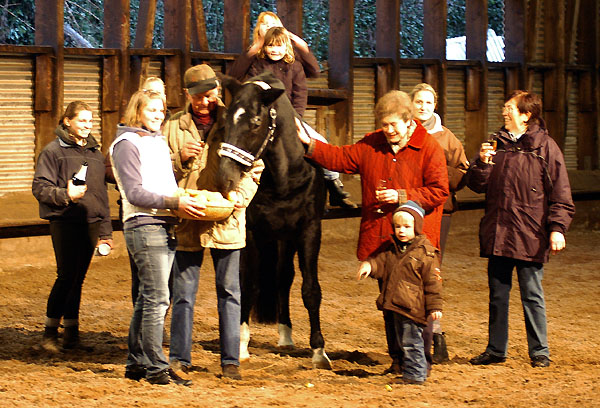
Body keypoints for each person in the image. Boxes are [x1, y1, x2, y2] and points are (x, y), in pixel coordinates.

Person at [296, 90, 449, 374]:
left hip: (416, 245)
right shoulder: (372, 143)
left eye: (394, 125)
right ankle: (397, 359)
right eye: (384, 125)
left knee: (415, 307)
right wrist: (310, 144)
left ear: (408, 120)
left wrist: (401, 195)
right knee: (391, 303)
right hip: (383, 242)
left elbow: (439, 191)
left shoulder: (429, 148)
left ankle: (419, 361)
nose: (388, 130)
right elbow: (341, 157)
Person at [163, 64, 264, 381]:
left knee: (230, 292)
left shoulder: (236, 120)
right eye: (197, 98)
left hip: (227, 219)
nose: (203, 103)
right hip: (189, 219)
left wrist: (240, 199)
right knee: (183, 293)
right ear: (187, 95)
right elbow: (159, 172)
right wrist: (179, 158)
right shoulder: (173, 126)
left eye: (209, 95)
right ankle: (179, 357)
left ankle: (230, 360)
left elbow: (255, 167)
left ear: (218, 92)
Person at [466, 90, 575, 368]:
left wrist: (557, 228)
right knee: (497, 295)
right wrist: (482, 163)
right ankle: (495, 349)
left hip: (530, 234)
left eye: (509, 108)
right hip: (499, 232)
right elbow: (477, 185)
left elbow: (561, 193)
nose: (504, 112)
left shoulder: (546, 148)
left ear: (526, 115)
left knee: (532, 294)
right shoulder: (496, 145)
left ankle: (540, 351)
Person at [110, 89, 205, 385]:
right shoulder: (126, 144)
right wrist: (175, 202)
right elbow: (135, 192)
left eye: (161, 110)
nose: (158, 115)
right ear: (137, 112)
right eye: (152, 110)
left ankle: (137, 363)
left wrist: (183, 197)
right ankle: (156, 367)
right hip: (144, 224)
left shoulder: (157, 142)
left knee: (146, 298)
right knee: (158, 299)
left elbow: (164, 183)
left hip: (164, 223)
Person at [228, 11, 355, 209]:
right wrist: (255, 48)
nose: (269, 28)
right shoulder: (256, 61)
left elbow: (301, 92)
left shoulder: (293, 64)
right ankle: (232, 186)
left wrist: (296, 118)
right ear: (259, 30)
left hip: (290, 117)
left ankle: (333, 184)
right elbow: (237, 77)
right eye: (264, 24)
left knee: (320, 142)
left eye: (273, 23)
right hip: (262, 117)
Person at [32, 101, 113, 353]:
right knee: (66, 276)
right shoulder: (52, 152)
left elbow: (101, 195)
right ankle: (49, 333)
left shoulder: (96, 155)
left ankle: (71, 334)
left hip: (90, 222)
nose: (87, 125)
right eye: (82, 120)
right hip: (65, 221)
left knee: (78, 279)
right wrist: (65, 195)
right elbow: (40, 188)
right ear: (67, 121)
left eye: (90, 121)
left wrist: (106, 232)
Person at [410, 83, 469, 363]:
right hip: (407, 211)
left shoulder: (447, 138)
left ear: (435, 106)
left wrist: (435, 173)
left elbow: (462, 172)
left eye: (428, 102)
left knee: (431, 271)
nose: (423, 107)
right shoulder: (401, 132)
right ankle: (410, 334)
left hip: (439, 211)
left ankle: (435, 333)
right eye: (418, 102)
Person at [357, 201, 443, 384]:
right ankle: (408, 369)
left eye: (406, 227)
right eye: (397, 227)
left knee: (412, 341)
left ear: (417, 227)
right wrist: (369, 265)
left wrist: (435, 306)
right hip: (397, 305)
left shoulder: (426, 254)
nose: (401, 231)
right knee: (403, 340)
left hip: (413, 307)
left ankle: (416, 374)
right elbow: (381, 263)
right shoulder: (392, 250)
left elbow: (433, 283)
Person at [246, 26, 307, 117]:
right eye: (270, 45)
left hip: (288, 114)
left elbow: (300, 94)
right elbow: (251, 90)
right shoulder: (258, 65)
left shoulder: (295, 67)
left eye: (279, 46)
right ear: (264, 47)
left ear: (286, 47)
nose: (274, 50)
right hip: (263, 114)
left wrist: (297, 116)